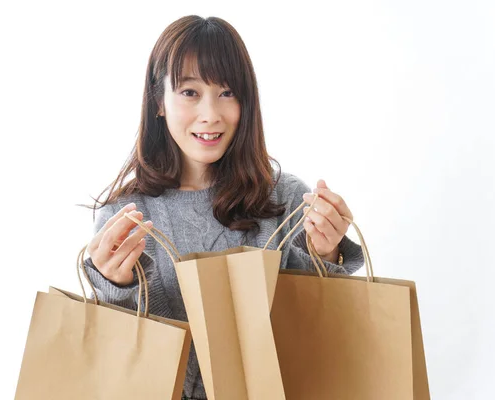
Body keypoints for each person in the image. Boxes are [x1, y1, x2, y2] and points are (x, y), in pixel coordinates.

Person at [79, 15, 364, 400]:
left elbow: (316, 333)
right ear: (158, 102)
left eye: (227, 92)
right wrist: (115, 286)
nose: (211, 114)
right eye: (190, 92)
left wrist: (325, 252)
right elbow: (112, 359)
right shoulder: (126, 214)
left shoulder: (284, 198)